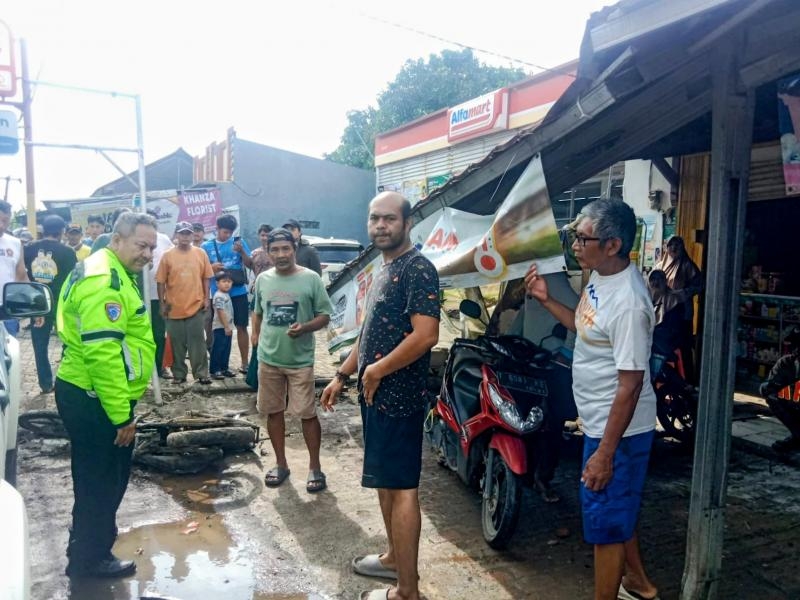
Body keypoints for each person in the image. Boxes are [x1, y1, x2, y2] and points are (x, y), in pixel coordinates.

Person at [524, 199, 659, 600]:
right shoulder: (599, 277)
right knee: (618, 511)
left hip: (618, 434)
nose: (575, 245)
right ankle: (640, 584)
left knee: (603, 524)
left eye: (582, 239)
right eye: (574, 236)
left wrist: (604, 453)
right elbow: (584, 328)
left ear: (613, 244)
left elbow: (630, 384)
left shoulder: (630, 304)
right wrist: (547, 298)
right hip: (599, 424)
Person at [320, 192, 440, 600]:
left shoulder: (418, 268)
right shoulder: (385, 268)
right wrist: (342, 374)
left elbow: (427, 335)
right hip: (375, 395)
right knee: (386, 484)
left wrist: (377, 370)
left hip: (399, 398)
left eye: (389, 219)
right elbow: (370, 332)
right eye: (374, 219)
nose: (380, 226)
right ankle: (393, 559)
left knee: (403, 487)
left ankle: (408, 591)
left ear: (407, 224)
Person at [55, 212, 158, 578]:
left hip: (88, 391)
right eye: (140, 245)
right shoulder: (106, 281)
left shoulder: (104, 267)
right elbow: (103, 355)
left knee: (95, 479)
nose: (147, 254)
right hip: (95, 398)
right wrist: (121, 416)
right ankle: (90, 560)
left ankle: (85, 548)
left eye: (151, 247)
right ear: (117, 240)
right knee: (101, 483)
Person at [251, 227, 332, 492]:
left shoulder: (310, 279)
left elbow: (324, 315)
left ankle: (315, 468)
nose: (281, 254)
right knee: (273, 411)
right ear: (268, 252)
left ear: (294, 250)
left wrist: (305, 328)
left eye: (285, 249)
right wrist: (255, 336)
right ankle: (281, 464)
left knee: (307, 414)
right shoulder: (263, 279)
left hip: (300, 361)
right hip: (269, 359)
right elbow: (258, 312)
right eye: (275, 250)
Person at [24, 215, 77, 394]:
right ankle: (65, 379)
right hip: (62, 305)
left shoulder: (29, 249)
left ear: (43, 230)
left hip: (37, 304)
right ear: (62, 231)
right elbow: (73, 281)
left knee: (40, 346)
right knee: (69, 342)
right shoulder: (68, 252)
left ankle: (46, 384)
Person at [156, 221, 214, 385]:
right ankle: (179, 374)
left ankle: (201, 374)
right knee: (176, 344)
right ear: (176, 235)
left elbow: (206, 277)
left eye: (188, 233)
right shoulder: (168, 255)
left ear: (192, 235)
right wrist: (162, 303)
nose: (185, 236)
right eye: (182, 233)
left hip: (195, 305)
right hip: (173, 307)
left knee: (198, 343)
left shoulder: (200, 253)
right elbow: (161, 282)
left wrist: (206, 299)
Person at [202, 214, 253, 372]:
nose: (228, 235)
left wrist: (242, 251)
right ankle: (219, 365)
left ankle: (245, 363)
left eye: (230, 232)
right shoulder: (206, 246)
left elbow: (250, 264)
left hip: (238, 292)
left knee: (242, 326)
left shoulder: (238, 242)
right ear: (216, 228)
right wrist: (212, 268)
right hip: (217, 294)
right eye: (225, 232)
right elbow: (201, 270)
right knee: (219, 329)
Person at [655, 235, 703, 379]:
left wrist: (683, 293)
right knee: (664, 346)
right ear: (666, 247)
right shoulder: (659, 266)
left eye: (677, 245)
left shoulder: (688, 266)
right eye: (671, 245)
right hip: (664, 313)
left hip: (682, 313)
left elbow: (699, 285)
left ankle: (687, 381)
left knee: (683, 346)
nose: (674, 248)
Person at [760, 329, 800, 453]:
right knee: (770, 395)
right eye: (796, 346)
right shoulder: (786, 362)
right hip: (793, 404)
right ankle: (798, 436)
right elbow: (769, 386)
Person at [147, 219, 175, 379]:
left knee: (159, 334)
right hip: (139, 296)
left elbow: (173, 260)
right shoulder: (134, 239)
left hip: (159, 297)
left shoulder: (163, 239)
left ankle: (160, 368)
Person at [0, 201, 31, 336]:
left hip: (7, 310)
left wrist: (34, 305)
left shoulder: (15, 243)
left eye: (5, 221)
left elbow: (22, 275)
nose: (1, 225)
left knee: (9, 354)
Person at [210, 271, 236, 379]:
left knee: (226, 348)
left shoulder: (226, 294)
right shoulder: (219, 296)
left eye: (229, 281)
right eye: (224, 281)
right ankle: (215, 370)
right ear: (217, 283)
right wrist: (226, 326)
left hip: (227, 327)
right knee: (218, 348)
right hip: (221, 327)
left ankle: (224, 368)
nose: (227, 284)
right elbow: (220, 311)